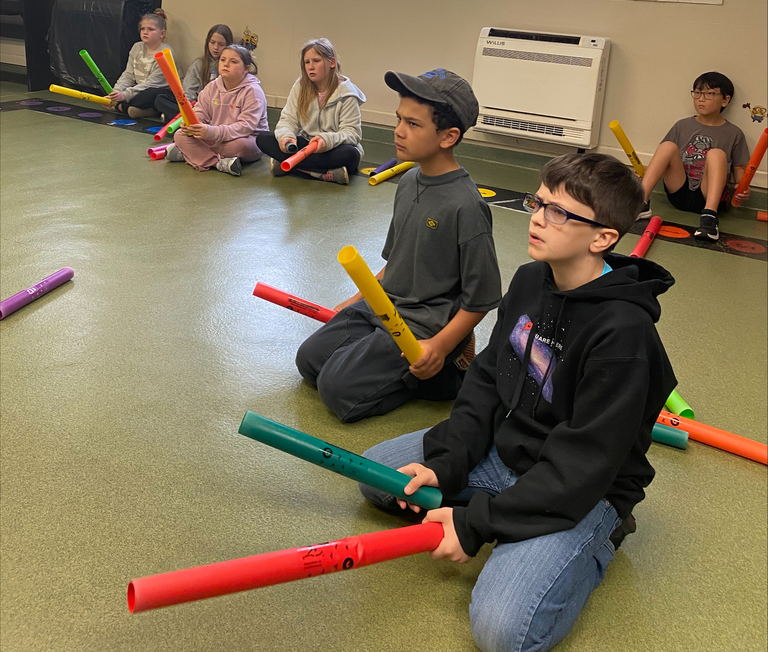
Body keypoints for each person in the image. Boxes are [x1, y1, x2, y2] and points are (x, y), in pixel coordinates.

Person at [359, 152, 676, 652]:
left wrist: (476, 522)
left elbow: (583, 464)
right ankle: (502, 509)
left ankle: (593, 537)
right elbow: (487, 381)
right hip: (507, 454)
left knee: (503, 633)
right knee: (375, 475)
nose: (536, 217)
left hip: (584, 489)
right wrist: (447, 463)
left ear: (602, 238)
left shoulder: (623, 334)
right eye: (539, 201)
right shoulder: (532, 280)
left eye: (558, 212)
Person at [295, 68, 502, 422]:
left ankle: (445, 375)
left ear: (449, 136)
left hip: (422, 325)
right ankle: (389, 361)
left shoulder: (466, 206)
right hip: (384, 307)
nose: (399, 130)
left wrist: (438, 347)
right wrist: (357, 299)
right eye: (398, 119)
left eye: (413, 124)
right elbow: (395, 261)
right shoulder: (407, 182)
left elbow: (481, 298)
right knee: (309, 361)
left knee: (336, 389)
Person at [637, 71, 750, 240]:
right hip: (679, 192)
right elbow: (665, 159)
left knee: (717, 154)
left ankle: (709, 219)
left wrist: (743, 189)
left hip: (709, 196)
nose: (701, 99)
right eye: (697, 93)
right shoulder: (682, 125)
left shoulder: (734, 133)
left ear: (725, 100)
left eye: (709, 94)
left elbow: (740, 170)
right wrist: (648, 172)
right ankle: (640, 203)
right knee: (667, 146)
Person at [257, 38, 365, 186]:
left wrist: (326, 141)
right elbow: (288, 119)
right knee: (263, 138)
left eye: (316, 61)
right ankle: (325, 173)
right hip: (306, 144)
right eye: (307, 62)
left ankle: (290, 167)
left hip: (333, 148)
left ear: (332, 63)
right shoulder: (300, 86)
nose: (310, 67)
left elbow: (352, 133)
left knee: (351, 155)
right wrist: (286, 137)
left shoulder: (347, 93)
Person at [166, 44, 267, 176]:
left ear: (246, 69)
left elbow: (245, 127)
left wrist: (212, 132)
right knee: (180, 135)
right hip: (216, 137)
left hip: (245, 139)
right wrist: (191, 124)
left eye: (233, 61)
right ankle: (218, 163)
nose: (226, 64)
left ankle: (190, 155)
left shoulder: (253, 91)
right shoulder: (212, 86)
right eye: (223, 60)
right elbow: (200, 111)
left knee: (239, 146)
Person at [155, 23, 234, 122]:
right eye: (212, 42)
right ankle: (186, 120)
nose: (215, 48)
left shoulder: (230, 66)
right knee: (161, 98)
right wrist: (187, 108)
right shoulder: (199, 64)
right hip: (196, 107)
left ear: (228, 45)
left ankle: (178, 120)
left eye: (221, 44)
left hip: (218, 109)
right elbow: (189, 90)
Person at [109, 9, 176, 119]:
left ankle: (122, 107)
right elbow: (128, 75)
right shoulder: (137, 47)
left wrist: (124, 96)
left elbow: (153, 83)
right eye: (142, 29)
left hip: (159, 91)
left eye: (150, 29)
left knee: (148, 95)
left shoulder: (165, 53)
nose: (145, 32)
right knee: (132, 95)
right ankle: (138, 109)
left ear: (162, 33)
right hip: (139, 89)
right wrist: (116, 92)